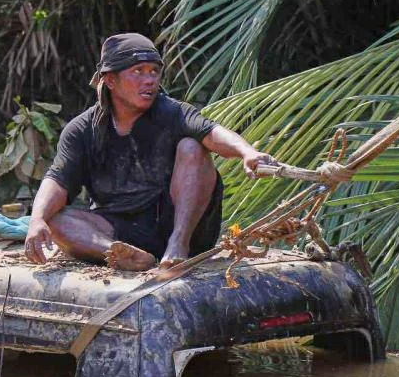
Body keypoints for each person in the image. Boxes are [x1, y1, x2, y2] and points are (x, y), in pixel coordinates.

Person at [23, 33, 276, 271]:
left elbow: (212, 132)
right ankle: (123, 255)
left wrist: (247, 152)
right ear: (110, 80)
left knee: (192, 146)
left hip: (177, 227)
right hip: (119, 229)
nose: (150, 80)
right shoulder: (82, 129)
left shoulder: (173, 112)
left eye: (154, 71)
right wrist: (37, 220)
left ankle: (178, 245)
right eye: (138, 72)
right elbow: (58, 179)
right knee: (55, 219)